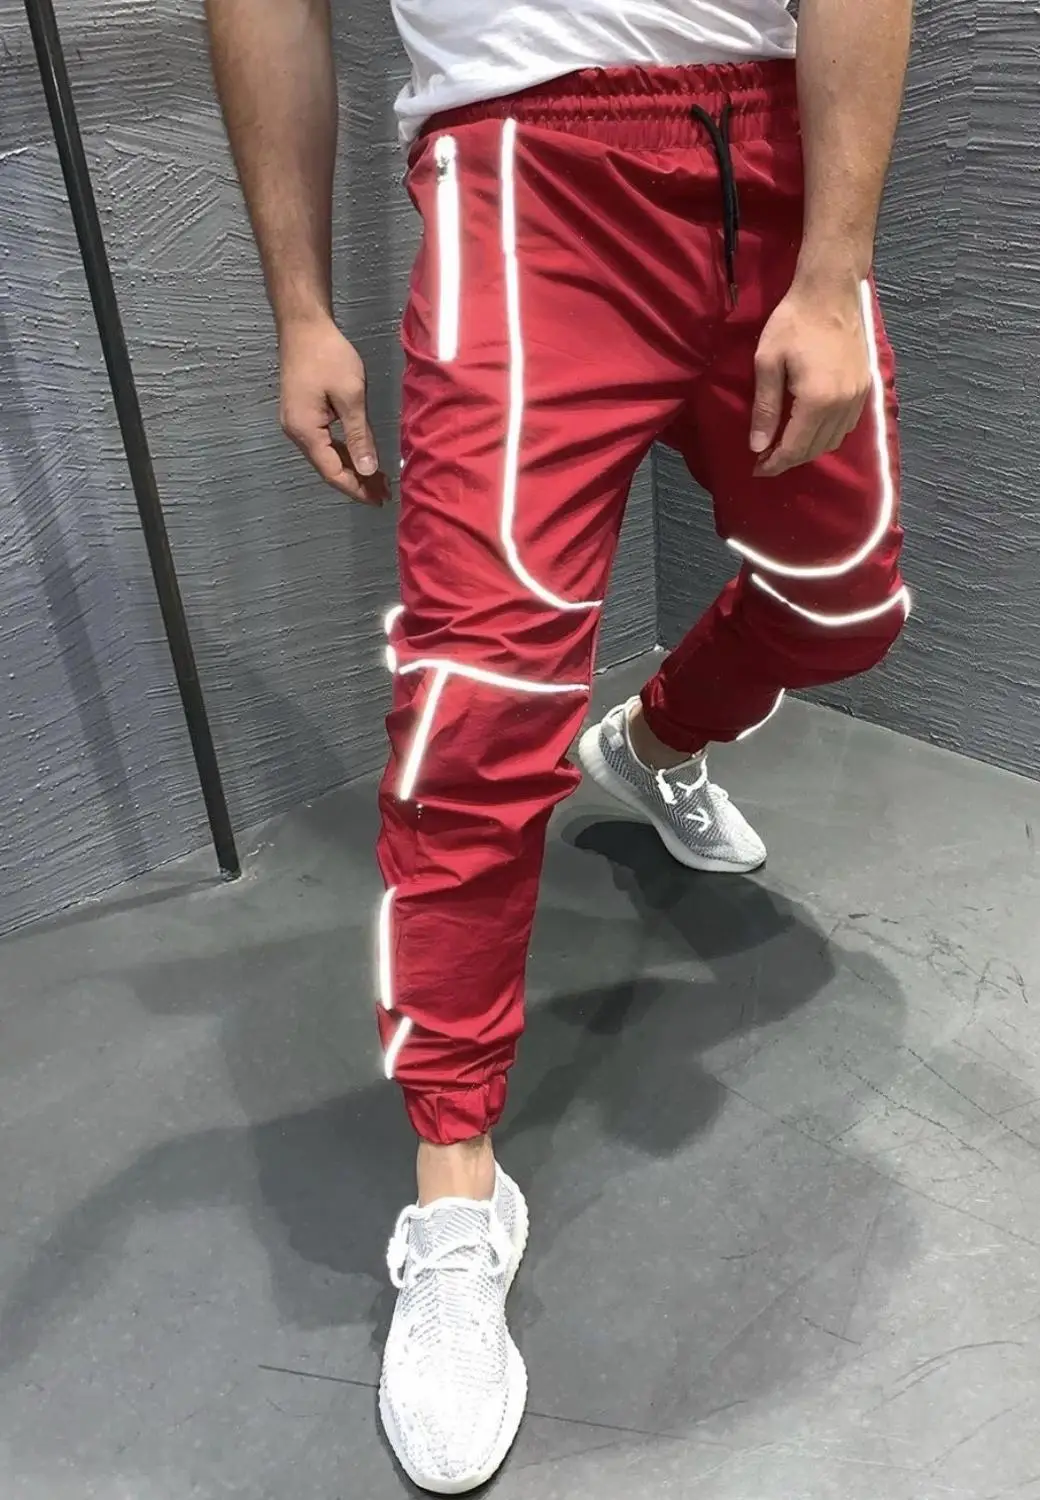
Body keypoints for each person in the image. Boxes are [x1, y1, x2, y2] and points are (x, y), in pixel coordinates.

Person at [205, 0, 913, 1489]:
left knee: (845, 603)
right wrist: (299, 306)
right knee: (471, 721)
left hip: (771, 148)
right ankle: (455, 1195)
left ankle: (653, 743)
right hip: (524, 175)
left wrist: (834, 264)